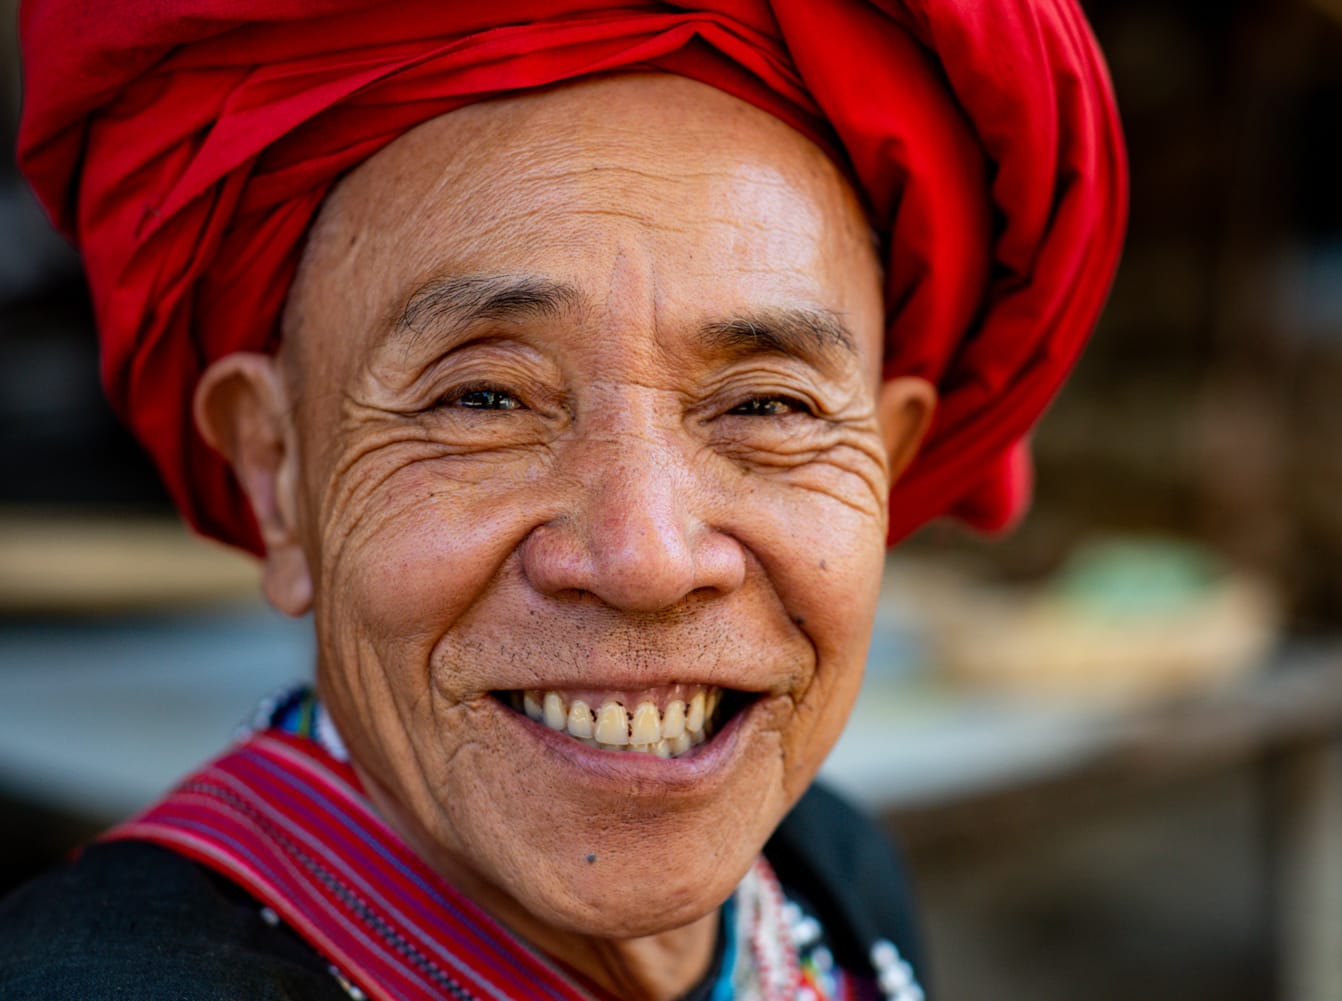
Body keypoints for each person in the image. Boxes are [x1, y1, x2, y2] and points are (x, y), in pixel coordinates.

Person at [0, 3, 1126, 999]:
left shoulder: (831, 872)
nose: (644, 556)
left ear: (885, 462)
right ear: (276, 469)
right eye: (486, 397)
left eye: (768, 406)